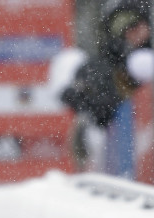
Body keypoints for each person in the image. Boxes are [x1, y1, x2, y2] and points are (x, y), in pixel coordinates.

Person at [59, 0, 152, 179]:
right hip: (115, 166)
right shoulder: (104, 65)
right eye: (127, 27)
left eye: (138, 25)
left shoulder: (139, 61)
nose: (135, 32)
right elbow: (81, 99)